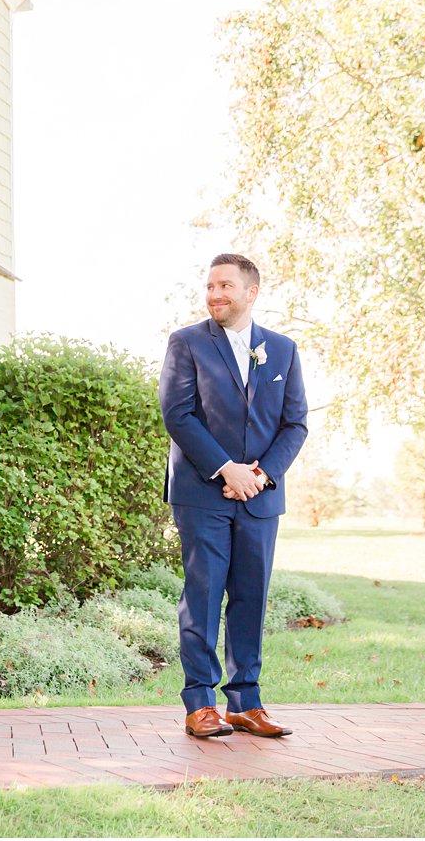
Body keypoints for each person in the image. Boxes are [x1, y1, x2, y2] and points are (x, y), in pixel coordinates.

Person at [158, 253, 308, 740]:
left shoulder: (282, 350)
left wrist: (260, 475)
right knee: (201, 596)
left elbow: (295, 424)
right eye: (209, 286)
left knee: (251, 597)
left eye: (225, 286)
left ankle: (246, 702)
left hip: (260, 497)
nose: (215, 294)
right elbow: (178, 415)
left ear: (251, 292)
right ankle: (200, 703)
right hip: (203, 492)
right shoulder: (186, 343)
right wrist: (227, 469)